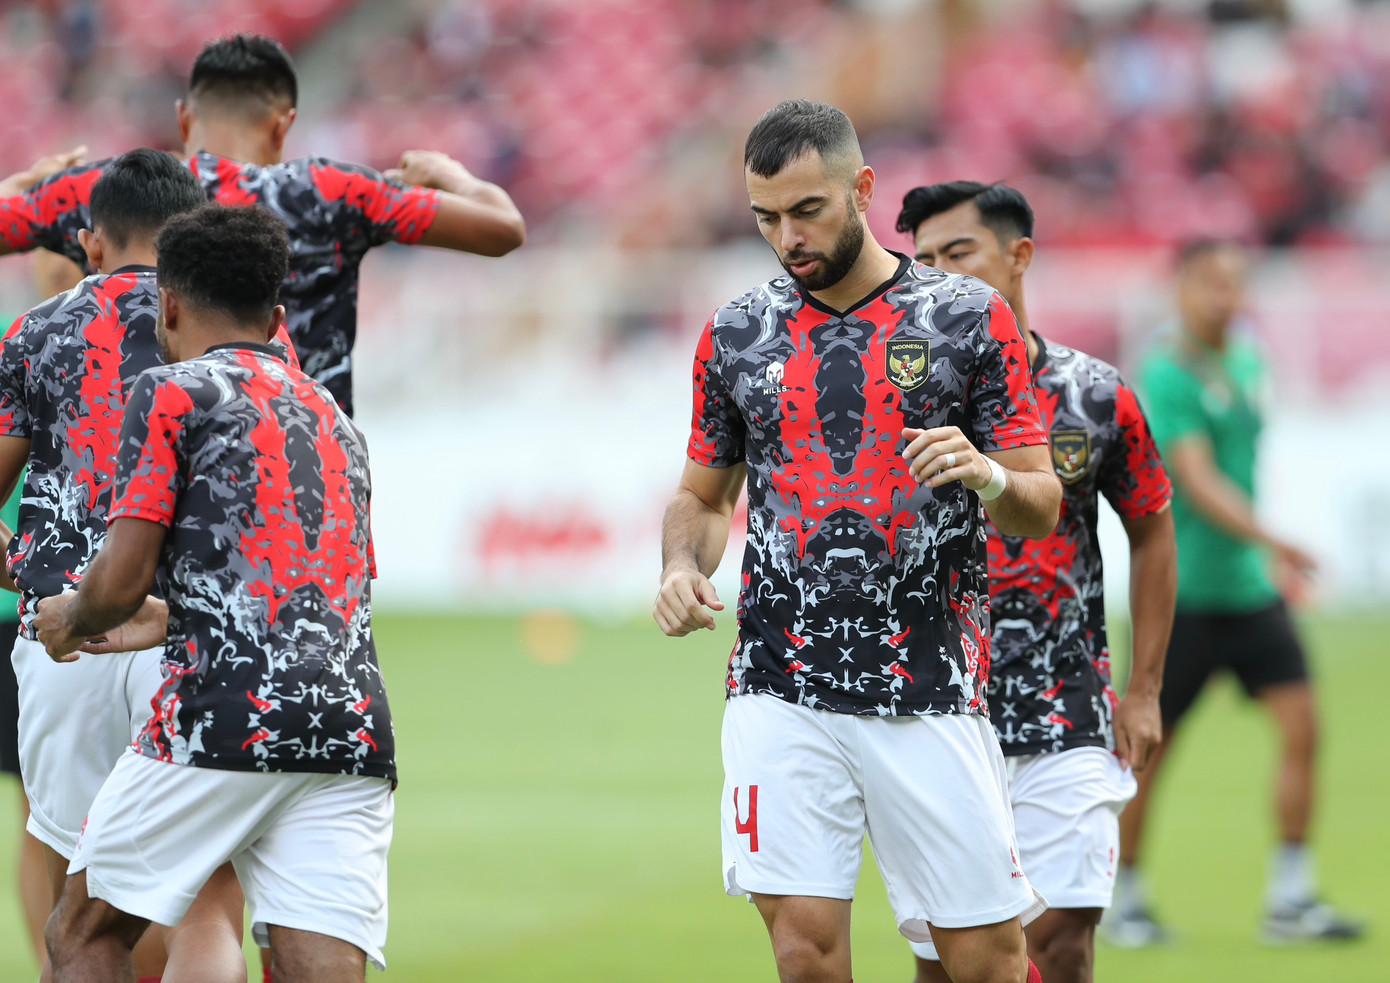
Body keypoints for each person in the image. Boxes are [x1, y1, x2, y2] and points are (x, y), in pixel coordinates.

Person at [654, 100, 1061, 983]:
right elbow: (703, 495)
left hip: (931, 682)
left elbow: (1041, 501)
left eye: (809, 210)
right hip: (780, 680)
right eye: (767, 217)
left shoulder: (968, 318)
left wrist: (987, 474)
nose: (787, 237)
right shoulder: (734, 332)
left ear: (863, 189)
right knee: (803, 951)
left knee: (985, 960)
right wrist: (683, 564)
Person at [34, 203, 392, 983]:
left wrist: (75, 615)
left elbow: (120, 576)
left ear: (166, 302)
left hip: (221, 712)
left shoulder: (173, 392)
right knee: (318, 962)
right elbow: (311, 594)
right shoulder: (333, 415)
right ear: (277, 314)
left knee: (85, 930)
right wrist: (160, 621)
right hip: (350, 725)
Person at [0, 149, 300, 982]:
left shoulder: (38, 330)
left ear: (92, 243)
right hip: (197, 639)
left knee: (85, 903)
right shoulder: (243, 335)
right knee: (205, 890)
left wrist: (21, 565)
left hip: (70, 634)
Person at [896, 181, 1177, 983]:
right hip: (940, 710)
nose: (939, 275)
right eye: (923, 262)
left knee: (1059, 944)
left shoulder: (1095, 393)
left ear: (1019, 256)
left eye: (958, 254)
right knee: (947, 961)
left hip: (1067, 707)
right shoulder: (903, 393)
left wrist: (1146, 687)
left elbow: (1153, 528)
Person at [0, 32, 525, 416]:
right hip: (301, 492)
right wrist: (447, 174)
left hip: (141, 494)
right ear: (283, 124)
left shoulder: (107, 191)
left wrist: (20, 185)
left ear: (184, 118)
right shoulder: (332, 193)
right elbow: (503, 228)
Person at [1107, 239, 1362, 945]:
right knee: (1147, 753)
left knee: (1304, 728)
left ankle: (1292, 896)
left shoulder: (1247, 358)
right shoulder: (1166, 370)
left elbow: (1245, 468)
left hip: (1250, 591)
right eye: (1209, 282)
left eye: (1233, 282)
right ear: (1180, 290)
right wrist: (1274, 539)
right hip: (1182, 594)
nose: (1224, 295)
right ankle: (1124, 897)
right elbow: (1196, 478)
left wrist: (1265, 561)